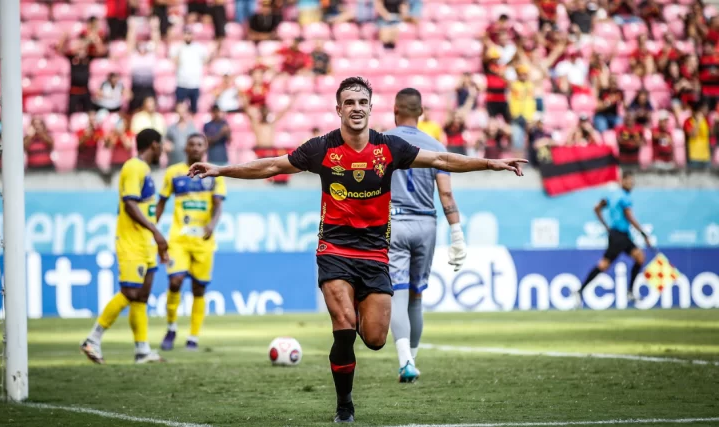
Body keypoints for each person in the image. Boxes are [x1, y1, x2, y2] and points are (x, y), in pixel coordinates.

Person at [186, 77, 526, 423]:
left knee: (376, 339)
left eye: (362, 102)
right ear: (339, 110)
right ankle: (344, 405)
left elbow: (441, 159)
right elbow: (273, 165)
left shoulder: (389, 148)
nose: (357, 108)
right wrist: (220, 169)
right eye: (349, 103)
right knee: (344, 324)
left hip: (376, 253)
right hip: (334, 249)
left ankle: (358, 330)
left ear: (371, 108)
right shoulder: (322, 148)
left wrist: (490, 162)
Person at [384, 89, 467, 383]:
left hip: (394, 222)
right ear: (421, 113)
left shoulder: (383, 142)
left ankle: (405, 361)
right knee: (416, 299)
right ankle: (412, 361)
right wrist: (457, 234)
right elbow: (445, 194)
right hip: (426, 225)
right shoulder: (435, 145)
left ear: (396, 110)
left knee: (398, 295)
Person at [81, 129, 168, 364]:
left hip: (145, 243)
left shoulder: (145, 170)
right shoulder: (133, 167)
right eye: (161, 145)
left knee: (141, 296)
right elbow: (129, 203)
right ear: (153, 145)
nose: (163, 150)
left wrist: (157, 240)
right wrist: (156, 232)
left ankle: (142, 350)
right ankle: (92, 339)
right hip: (130, 241)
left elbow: (146, 209)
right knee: (130, 292)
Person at [157, 134, 226, 351]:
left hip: (203, 241)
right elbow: (161, 202)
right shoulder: (173, 172)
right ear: (185, 147)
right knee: (175, 281)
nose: (195, 148)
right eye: (192, 144)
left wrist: (212, 225)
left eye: (200, 144)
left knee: (198, 289)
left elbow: (218, 205)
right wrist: (152, 230)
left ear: (205, 148)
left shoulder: (215, 173)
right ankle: (171, 327)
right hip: (178, 238)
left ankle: (193, 337)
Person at [574, 171, 652, 307]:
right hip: (619, 236)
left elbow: (597, 208)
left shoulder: (612, 195)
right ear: (621, 181)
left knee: (638, 258)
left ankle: (629, 291)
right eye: (628, 181)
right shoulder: (625, 198)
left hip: (618, 235)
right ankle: (581, 290)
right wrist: (644, 234)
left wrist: (606, 226)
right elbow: (629, 217)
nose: (630, 184)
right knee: (605, 264)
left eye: (632, 182)